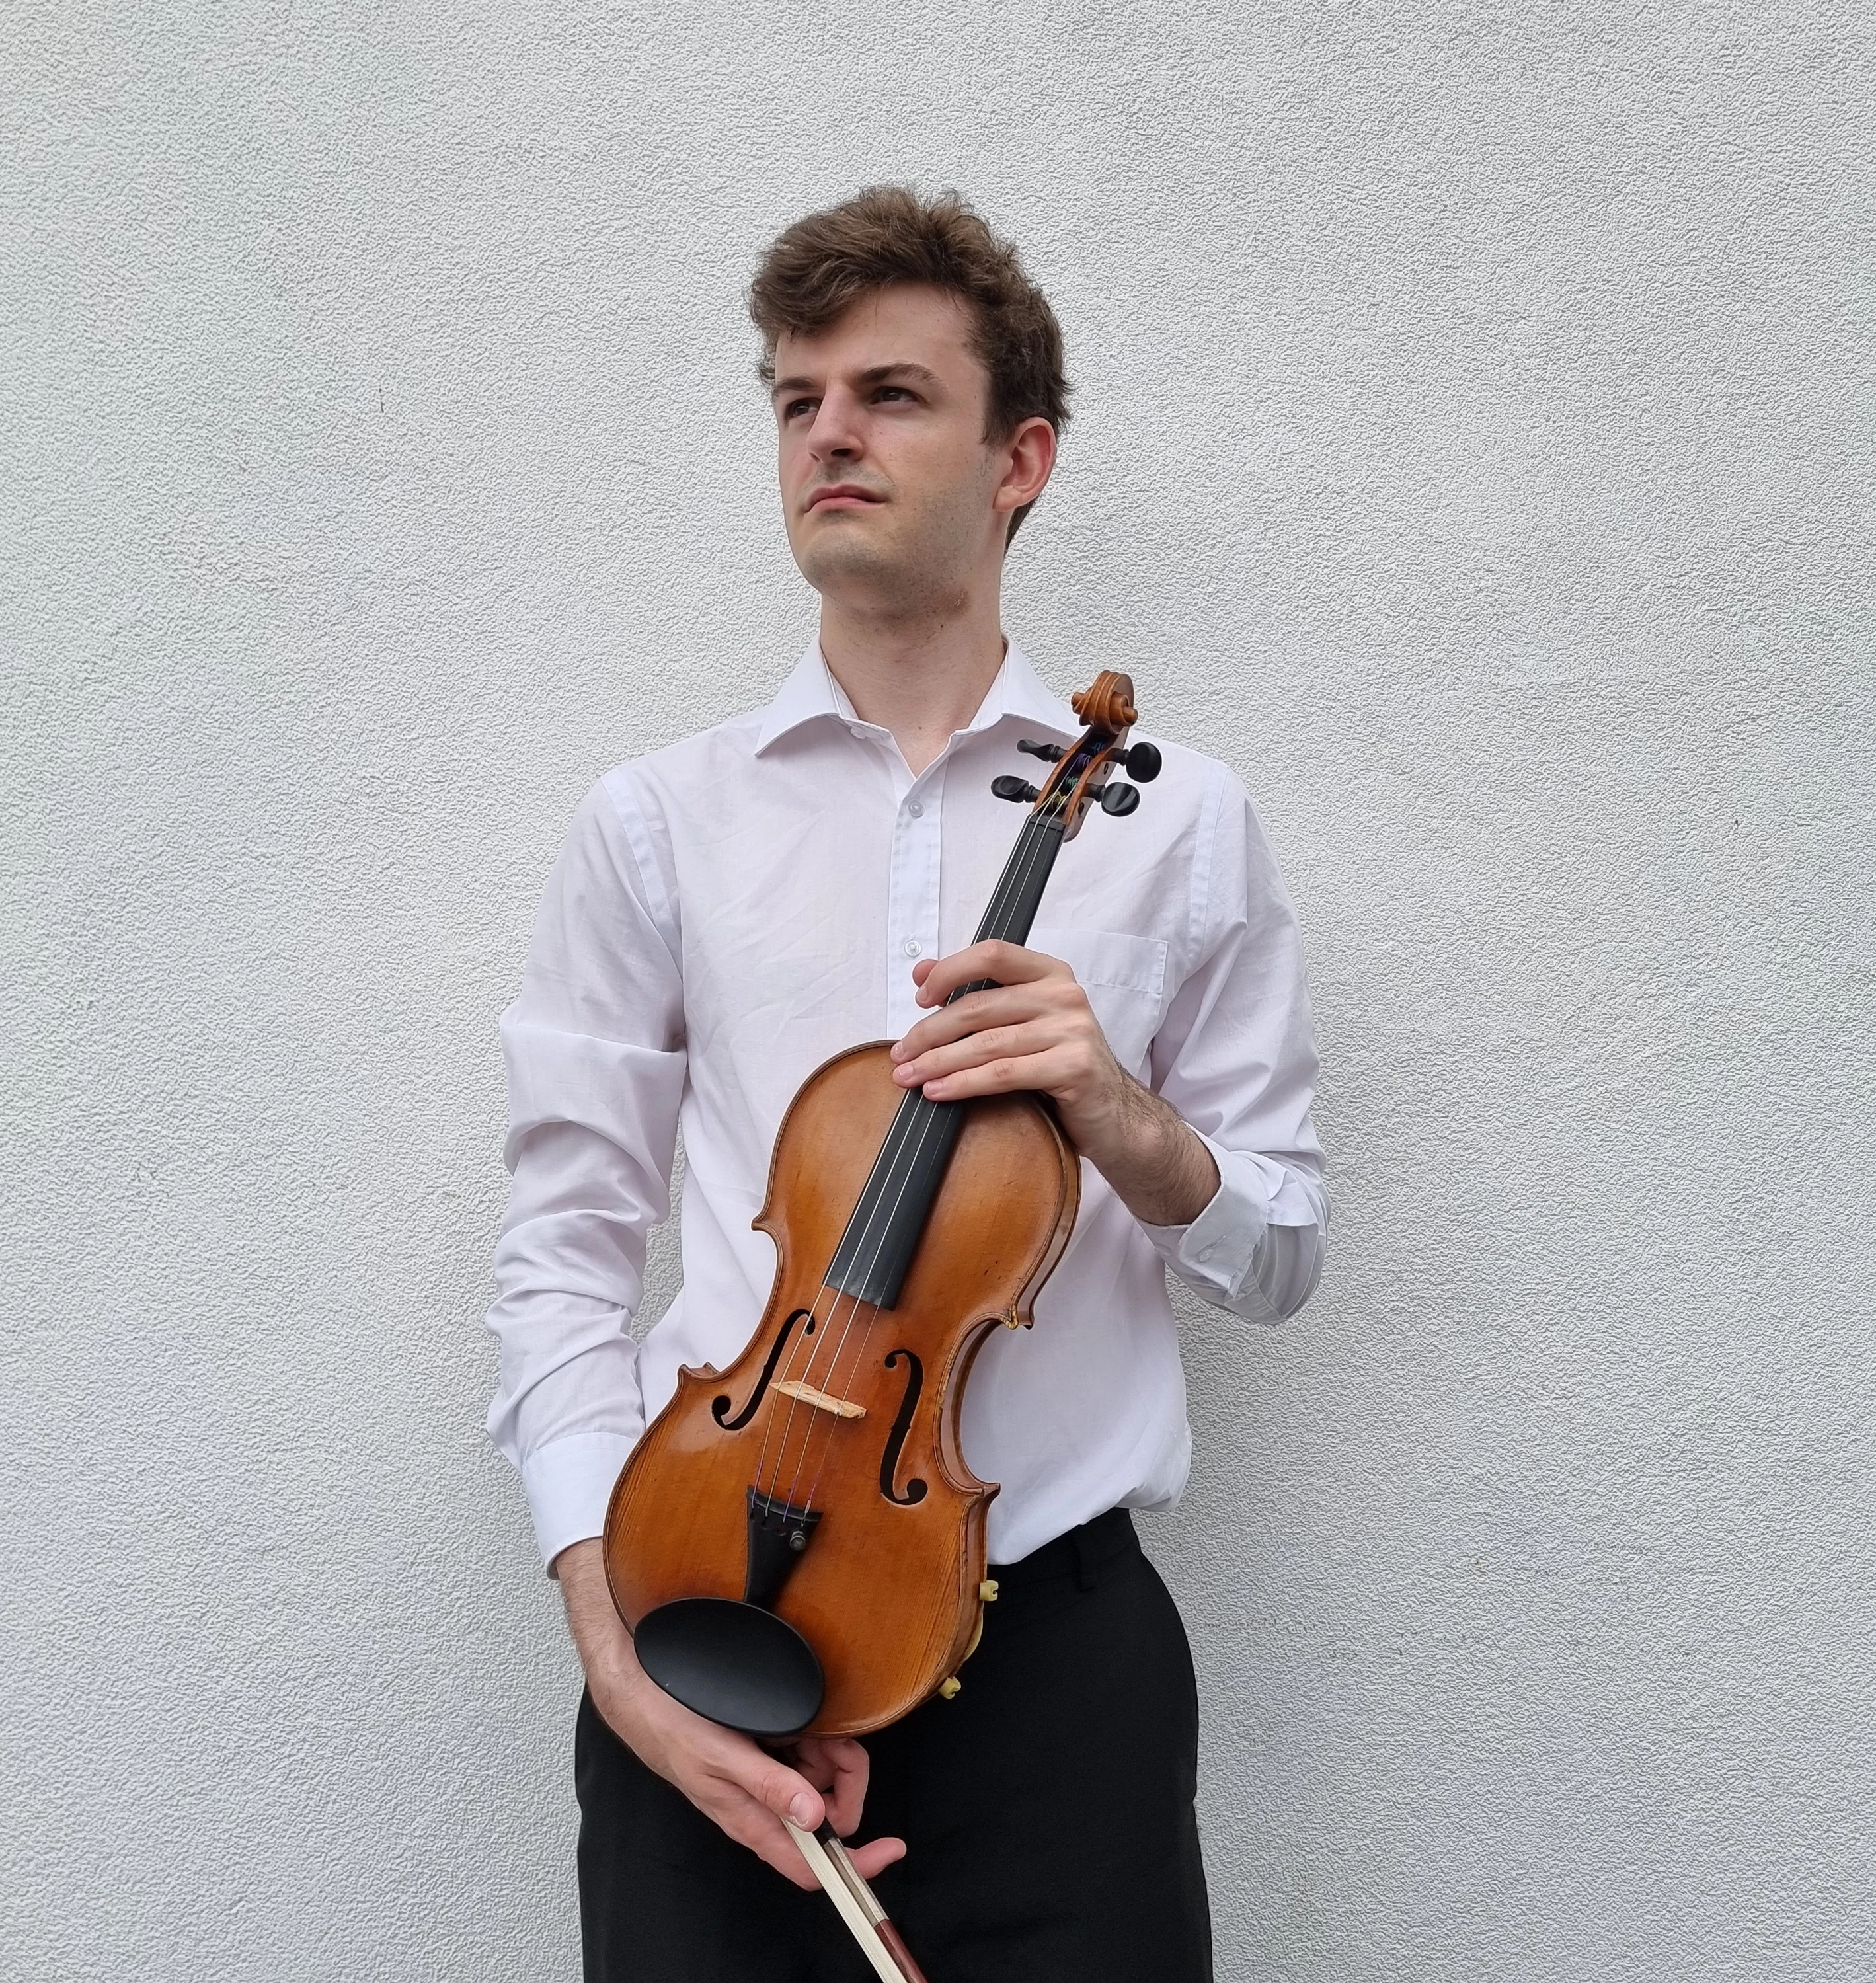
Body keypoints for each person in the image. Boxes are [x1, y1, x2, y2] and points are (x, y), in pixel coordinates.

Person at [485, 186, 1325, 1982]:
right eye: (797, 400)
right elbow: (564, 1253)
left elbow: (1279, 1254)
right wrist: (611, 1653)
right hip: (711, 1621)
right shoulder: (657, 824)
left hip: (1058, 1677)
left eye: (889, 393)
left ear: (1020, 457)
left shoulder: (1180, 823)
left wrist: (1120, 1118)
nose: (830, 433)